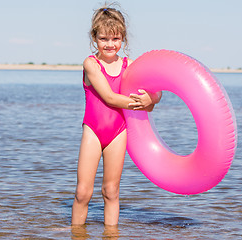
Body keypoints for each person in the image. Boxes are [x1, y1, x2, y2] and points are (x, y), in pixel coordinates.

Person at [71, 4, 161, 226]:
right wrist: (143, 103)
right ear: (94, 38)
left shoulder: (129, 65)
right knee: (83, 192)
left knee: (111, 191)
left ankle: (111, 234)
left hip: (118, 132)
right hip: (93, 130)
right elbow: (110, 98)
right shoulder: (91, 64)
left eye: (115, 39)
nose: (110, 44)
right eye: (103, 39)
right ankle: (76, 233)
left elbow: (156, 90)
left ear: (123, 38)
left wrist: (153, 100)